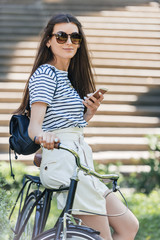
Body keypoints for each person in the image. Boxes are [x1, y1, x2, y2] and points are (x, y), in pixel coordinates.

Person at [15, 13, 139, 240]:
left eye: (75, 38)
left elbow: (65, 124)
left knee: (129, 226)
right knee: (103, 237)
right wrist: (44, 139)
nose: (69, 42)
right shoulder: (45, 74)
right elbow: (35, 127)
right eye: (61, 37)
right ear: (49, 41)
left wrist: (88, 113)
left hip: (79, 162)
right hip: (64, 163)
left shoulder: (66, 78)